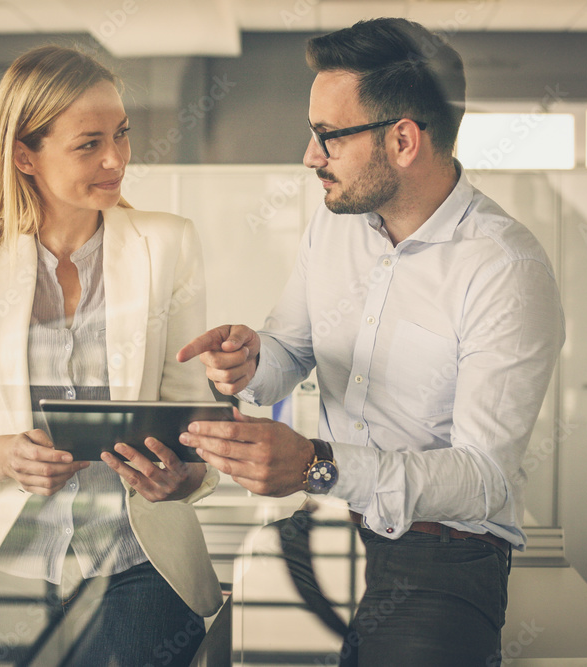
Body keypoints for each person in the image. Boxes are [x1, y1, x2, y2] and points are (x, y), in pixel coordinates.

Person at [177, 18, 565, 666]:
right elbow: (289, 351)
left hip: (450, 550)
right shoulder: (335, 229)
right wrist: (248, 361)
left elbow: (483, 480)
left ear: (404, 139)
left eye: (327, 136)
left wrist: (315, 465)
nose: (309, 155)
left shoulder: (505, 268)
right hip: (355, 521)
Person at [0, 45, 222, 666]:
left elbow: (200, 417)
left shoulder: (167, 244)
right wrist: (7, 455)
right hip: (9, 559)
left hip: (138, 556)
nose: (116, 159)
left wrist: (183, 476)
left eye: (121, 135)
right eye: (89, 144)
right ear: (24, 155)